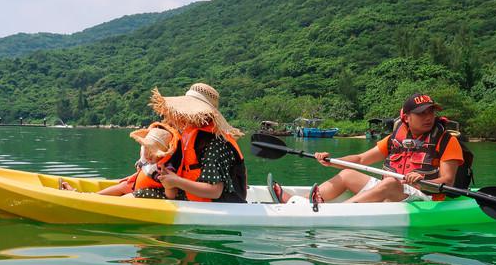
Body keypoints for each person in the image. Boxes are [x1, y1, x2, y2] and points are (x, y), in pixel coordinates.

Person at [271, 93, 463, 204]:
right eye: (422, 113)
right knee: (347, 173)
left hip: (424, 198)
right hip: (392, 190)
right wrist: (330, 161)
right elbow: (362, 160)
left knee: (389, 183)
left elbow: (448, 179)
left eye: (431, 112)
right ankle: (300, 203)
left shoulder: (446, 141)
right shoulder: (393, 140)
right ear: (407, 117)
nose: (428, 117)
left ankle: (333, 212)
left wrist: (421, 180)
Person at [149, 82, 248, 203]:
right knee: (139, 192)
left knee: (139, 195)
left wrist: (176, 181)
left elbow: (215, 191)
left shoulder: (215, 142)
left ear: (205, 114)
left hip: (219, 205)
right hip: (194, 197)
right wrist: (169, 180)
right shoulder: (191, 135)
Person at [60, 121, 181, 197]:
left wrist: (168, 185)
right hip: (137, 186)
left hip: (152, 194)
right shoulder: (148, 160)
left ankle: (83, 198)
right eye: (146, 150)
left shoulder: (167, 169)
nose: (148, 155)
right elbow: (144, 170)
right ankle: (86, 196)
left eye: (153, 152)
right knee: (123, 186)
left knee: (128, 196)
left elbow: (171, 196)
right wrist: (134, 176)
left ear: (163, 155)